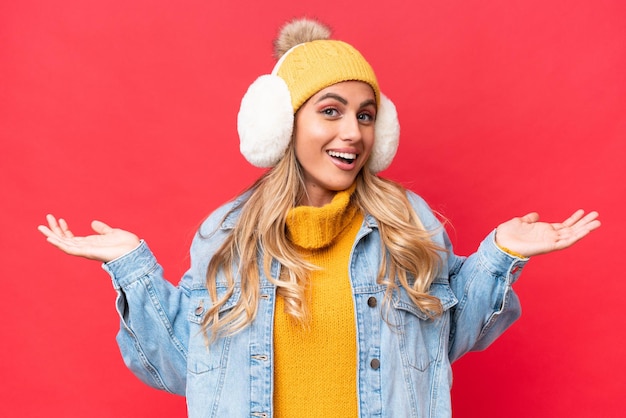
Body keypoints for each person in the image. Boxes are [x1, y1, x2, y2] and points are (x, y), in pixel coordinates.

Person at [38, 18, 600, 418]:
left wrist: (501, 252)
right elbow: (187, 368)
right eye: (329, 111)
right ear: (281, 125)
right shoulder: (227, 235)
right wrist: (132, 268)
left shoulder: (407, 222)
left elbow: (443, 339)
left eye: (365, 114)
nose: (352, 132)